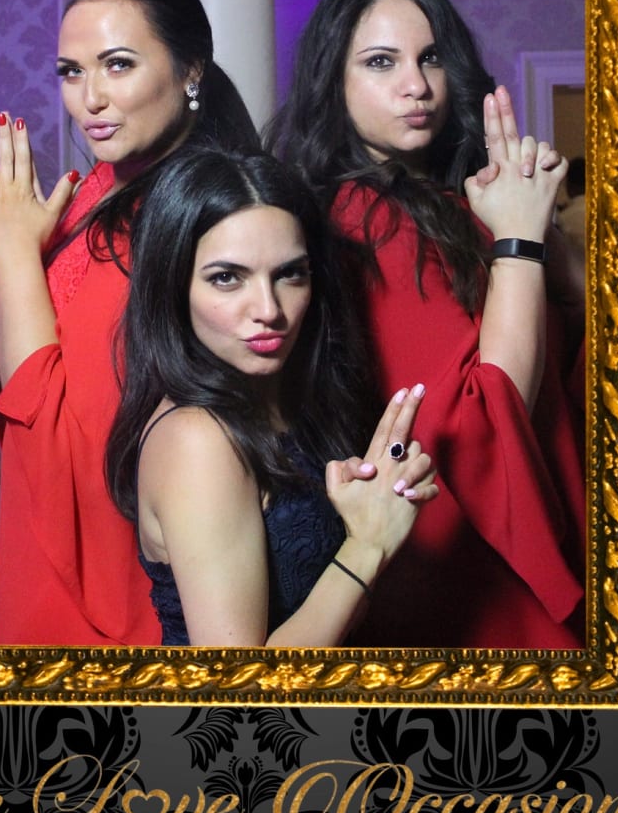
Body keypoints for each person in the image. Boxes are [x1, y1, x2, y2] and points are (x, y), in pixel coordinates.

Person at [269, 0, 586, 649]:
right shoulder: (365, 218)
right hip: (463, 562)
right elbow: (488, 413)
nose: (416, 86)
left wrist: (539, 234)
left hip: (509, 536)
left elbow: (574, 351)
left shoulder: (454, 205)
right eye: (381, 62)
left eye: (431, 57)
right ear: (333, 83)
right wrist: (519, 240)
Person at [0, 0, 259, 646]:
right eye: (71, 72)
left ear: (191, 69)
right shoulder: (87, 194)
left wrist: (16, 255)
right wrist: (21, 247)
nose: (90, 98)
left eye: (118, 65)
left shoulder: (209, 213)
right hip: (39, 524)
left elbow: (73, 417)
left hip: (118, 554)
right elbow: (11, 385)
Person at [105, 148, 438, 646]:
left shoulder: (295, 404)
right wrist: (367, 546)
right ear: (173, 285)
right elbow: (243, 682)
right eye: (226, 278)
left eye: (289, 274)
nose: (269, 309)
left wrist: (379, 506)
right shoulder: (198, 439)